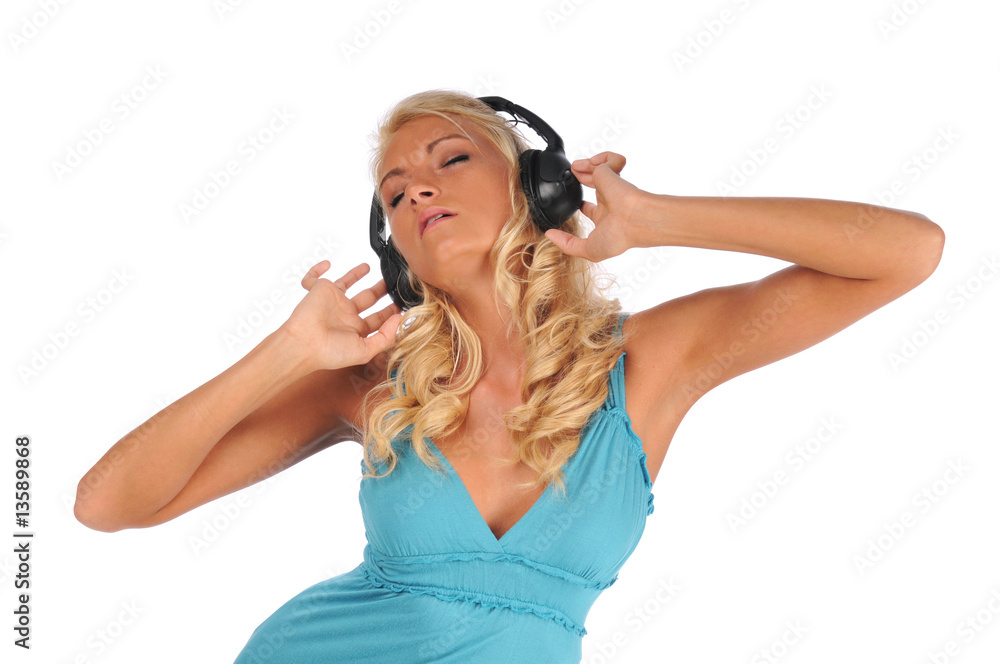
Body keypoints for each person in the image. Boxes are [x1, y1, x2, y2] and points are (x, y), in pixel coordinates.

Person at [73, 89, 945, 663]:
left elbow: (908, 253)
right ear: (396, 250)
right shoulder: (372, 386)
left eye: (450, 160)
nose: (418, 191)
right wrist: (285, 354)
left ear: (538, 187)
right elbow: (108, 504)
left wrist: (658, 219)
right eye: (394, 194)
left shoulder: (647, 367)